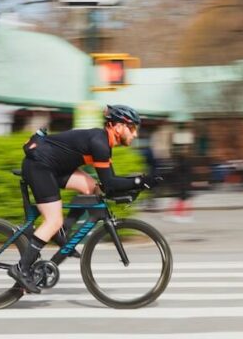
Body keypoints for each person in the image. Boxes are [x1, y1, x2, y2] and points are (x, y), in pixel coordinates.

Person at [10, 104, 160, 293]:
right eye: (132, 128)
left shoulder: (103, 142)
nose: (135, 134)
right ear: (118, 126)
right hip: (40, 166)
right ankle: (21, 268)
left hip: (54, 166)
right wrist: (140, 181)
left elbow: (106, 186)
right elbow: (111, 183)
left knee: (92, 187)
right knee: (53, 220)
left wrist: (137, 184)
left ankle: (63, 230)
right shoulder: (100, 143)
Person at [164, 143, 195, 223]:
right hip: (183, 183)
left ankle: (175, 215)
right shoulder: (184, 162)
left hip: (181, 183)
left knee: (179, 199)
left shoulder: (181, 161)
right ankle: (178, 215)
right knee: (181, 200)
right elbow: (186, 173)